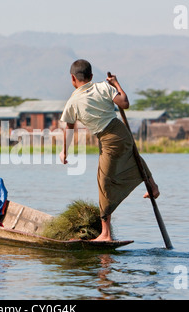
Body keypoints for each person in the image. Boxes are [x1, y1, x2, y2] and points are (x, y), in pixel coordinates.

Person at [59, 59, 160, 242]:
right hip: (121, 131)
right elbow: (124, 103)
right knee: (132, 156)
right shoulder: (101, 87)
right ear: (90, 77)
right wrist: (116, 83)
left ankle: (105, 234)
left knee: (103, 181)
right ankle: (152, 186)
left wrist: (64, 152)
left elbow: (70, 128)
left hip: (108, 139)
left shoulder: (72, 101)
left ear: (72, 79)